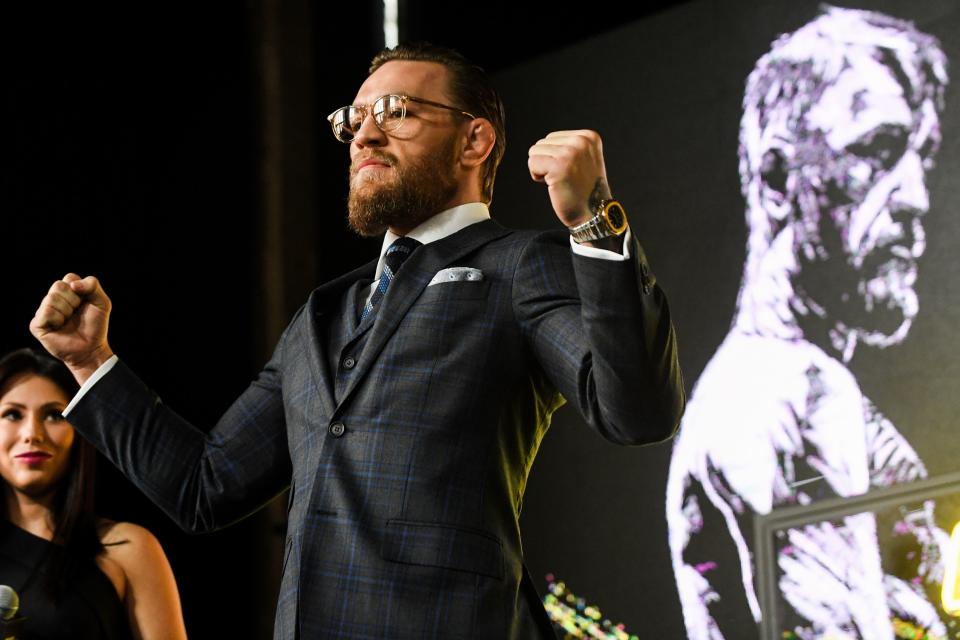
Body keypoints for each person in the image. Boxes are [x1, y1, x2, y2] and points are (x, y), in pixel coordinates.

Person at [30, 42, 685, 639]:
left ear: (474, 141)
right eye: (355, 118)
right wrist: (90, 361)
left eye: (396, 111)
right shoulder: (325, 310)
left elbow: (639, 411)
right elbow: (206, 487)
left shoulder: (518, 265)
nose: (365, 134)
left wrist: (596, 221)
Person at [665, 7, 948, 639]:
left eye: (918, 157)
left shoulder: (752, 385)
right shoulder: (796, 389)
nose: (916, 198)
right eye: (876, 151)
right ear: (776, 179)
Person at [0, 348, 187, 640]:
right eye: (12, 414)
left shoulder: (128, 549)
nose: (31, 433)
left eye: (53, 415)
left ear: (79, 432)